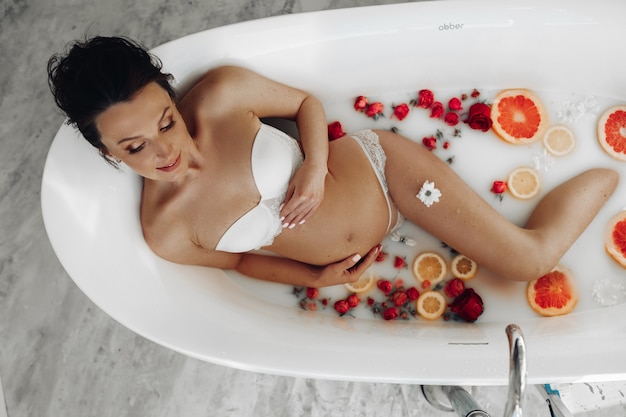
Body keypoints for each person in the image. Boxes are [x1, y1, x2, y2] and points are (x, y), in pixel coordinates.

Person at [47, 36, 618, 288]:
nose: (164, 151)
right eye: (134, 147)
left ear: (171, 96)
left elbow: (304, 103)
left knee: (527, 264)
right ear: (106, 153)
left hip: (384, 174)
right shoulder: (167, 233)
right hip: (360, 255)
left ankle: (611, 166)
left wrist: (314, 168)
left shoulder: (221, 97)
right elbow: (243, 266)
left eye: (165, 121)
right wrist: (316, 278)